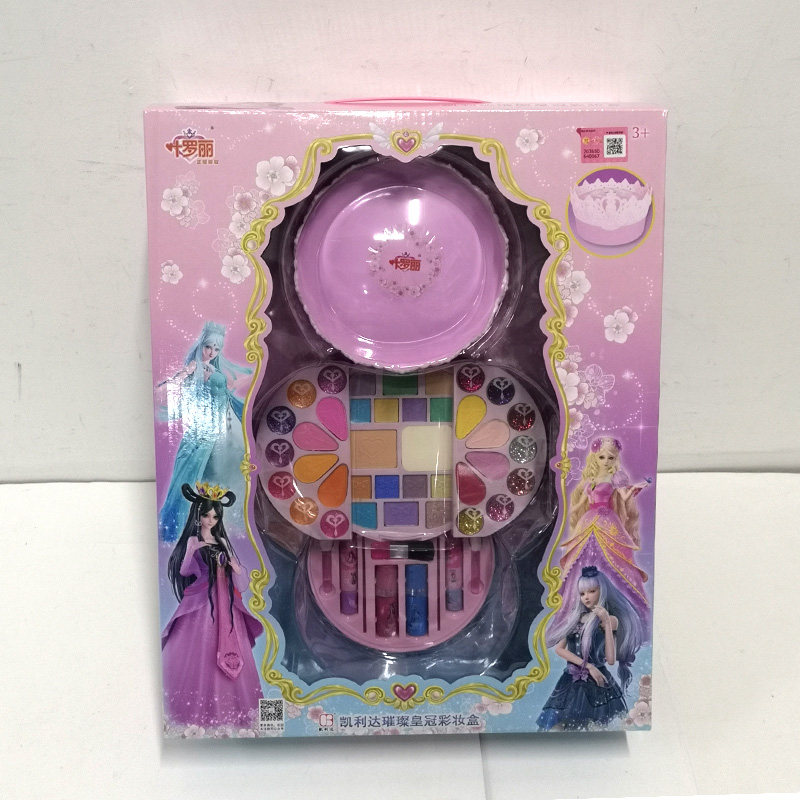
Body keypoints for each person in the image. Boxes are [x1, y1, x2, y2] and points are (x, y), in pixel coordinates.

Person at [161, 483, 262, 729]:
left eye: (215, 516)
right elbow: (186, 571)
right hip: (201, 602)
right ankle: (190, 712)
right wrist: (191, 550)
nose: (210, 520)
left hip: (226, 602)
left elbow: (242, 582)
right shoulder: (193, 540)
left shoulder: (222, 541)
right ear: (198, 515)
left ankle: (237, 713)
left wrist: (234, 564)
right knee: (198, 650)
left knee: (230, 645)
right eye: (206, 515)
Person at [158, 321, 251, 541]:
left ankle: (230, 522)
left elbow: (225, 391)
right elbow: (177, 385)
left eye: (216, 349)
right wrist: (189, 375)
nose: (211, 352)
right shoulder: (194, 367)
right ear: (201, 344)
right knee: (204, 471)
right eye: (208, 347)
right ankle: (191, 525)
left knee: (236, 463)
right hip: (208, 425)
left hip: (226, 421)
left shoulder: (214, 368)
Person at [537, 565, 644, 730]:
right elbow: (560, 649)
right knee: (558, 725)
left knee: (590, 726)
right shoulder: (575, 618)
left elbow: (610, 659)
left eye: (592, 591)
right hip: (571, 679)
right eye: (582, 593)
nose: (586, 597)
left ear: (602, 591)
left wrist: (606, 621)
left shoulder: (610, 620)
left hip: (596, 682)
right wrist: (588, 666)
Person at [560, 436, 649, 617]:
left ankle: (617, 602)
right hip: (588, 520)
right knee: (582, 555)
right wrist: (566, 512)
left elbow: (624, 497)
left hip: (608, 521)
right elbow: (580, 504)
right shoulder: (590, 479)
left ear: (615, 459)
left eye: (610, 457)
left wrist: (634, 489)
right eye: (602, 457)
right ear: (595, 457)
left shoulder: (615, 477)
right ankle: (579, 605)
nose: (606, 461)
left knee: (612, 556)